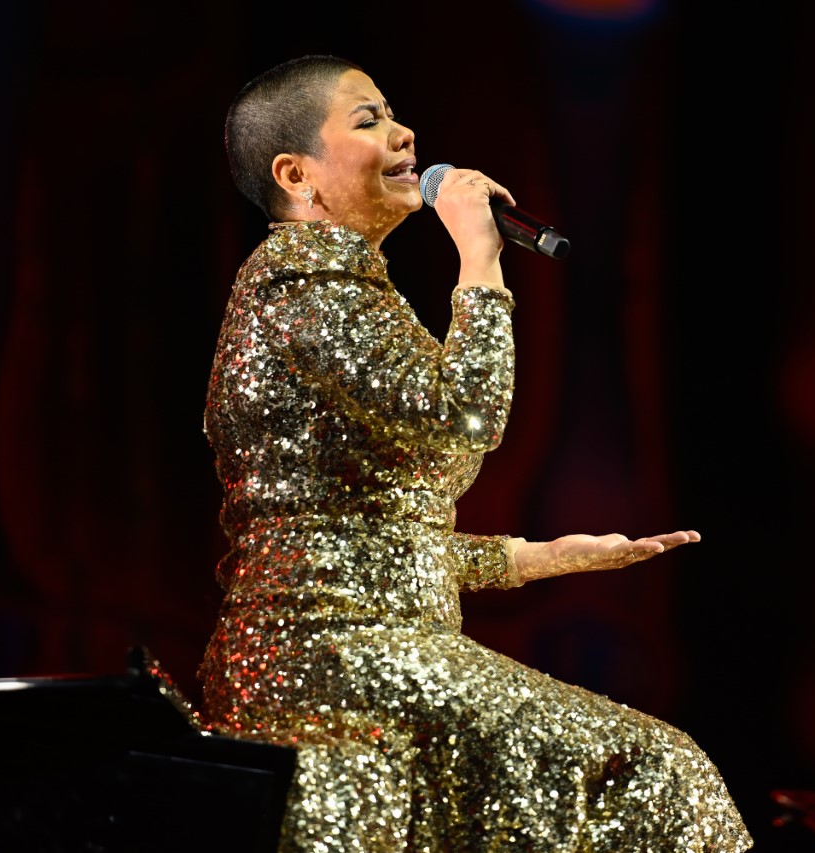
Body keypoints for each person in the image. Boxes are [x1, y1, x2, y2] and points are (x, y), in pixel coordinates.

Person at [198, 53, 753, 852]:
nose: (404, 133)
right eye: (369, 120)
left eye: (394, 113)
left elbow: (351, 534)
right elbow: (463, 416)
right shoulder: (304, 285)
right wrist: (480, 257)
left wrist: (530, 558)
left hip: (352, 644)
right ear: (296, 174)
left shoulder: (332, 286)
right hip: (332, 655)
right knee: (654, 770)